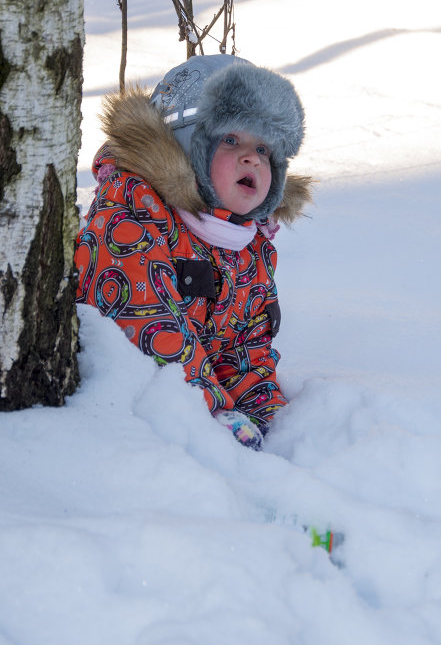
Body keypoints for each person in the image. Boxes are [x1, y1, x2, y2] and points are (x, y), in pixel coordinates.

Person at [75, 55, 311, 450]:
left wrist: (268, 417)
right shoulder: (132, 212)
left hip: (197, 417)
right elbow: (145, 325)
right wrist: (214, 411)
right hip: (131, 425)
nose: (251, 157)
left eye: (264, 148)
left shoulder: (247, 248)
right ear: (189, 146)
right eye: (231, 140)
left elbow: (244, 349)